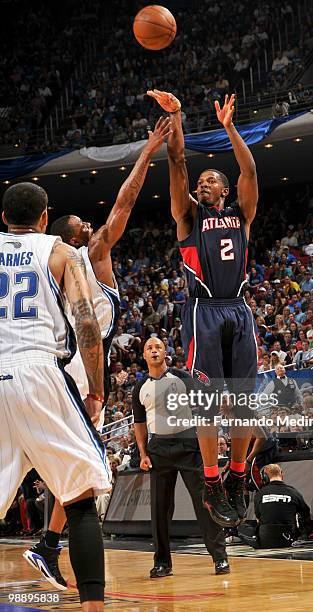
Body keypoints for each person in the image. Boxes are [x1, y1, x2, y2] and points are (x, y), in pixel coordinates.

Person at [23, 116, 172, 589]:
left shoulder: (60, 261)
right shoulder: (85, 256)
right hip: (70, 368)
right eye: (83, 225)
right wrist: (148, 153)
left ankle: (48, 545)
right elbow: (124, 204)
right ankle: (55, 550)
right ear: (67, 238)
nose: (93, 226)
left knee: (64, 464)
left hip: (55, 366)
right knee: (82, 466)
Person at [148, 90, 258, 528]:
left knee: (245, 403)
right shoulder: (189, 217)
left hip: (238, 308)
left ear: (225, 189)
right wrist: (177, 117)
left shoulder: (242, 214)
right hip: (203, 311)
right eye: (201, 182)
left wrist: (230, 127)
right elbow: (177, 164)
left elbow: (249, 168)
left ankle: (235, 476)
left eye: (210, 180)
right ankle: (211, 480)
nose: (202, 184)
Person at [0, 182, 111, 611]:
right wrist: (97, 389)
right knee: (81, 494)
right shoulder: (60, 252)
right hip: (37, 370)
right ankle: (92, 605)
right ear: (46, 217)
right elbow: (87, 327)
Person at [132, 338, 229, 578]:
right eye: (149, 348)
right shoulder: (139, 387)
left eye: (158, 347)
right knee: (160, 509)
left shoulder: (181, 376)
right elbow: (139, 425)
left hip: (188, 444)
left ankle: (220, 558)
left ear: (165, 352)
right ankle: (162, 563)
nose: (154, 351)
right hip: (158, 450)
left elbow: (205, 399)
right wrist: (143, 454)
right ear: (144, 356)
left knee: (204, 501)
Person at [239, 464, 311, 548]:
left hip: (265, 540)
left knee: (241, 528)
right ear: (281, 475)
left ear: (264, 477)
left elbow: (259, 518)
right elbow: (306, 514)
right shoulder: (293, 492)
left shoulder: (260, 493)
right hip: (288, 539)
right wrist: (303, 533)